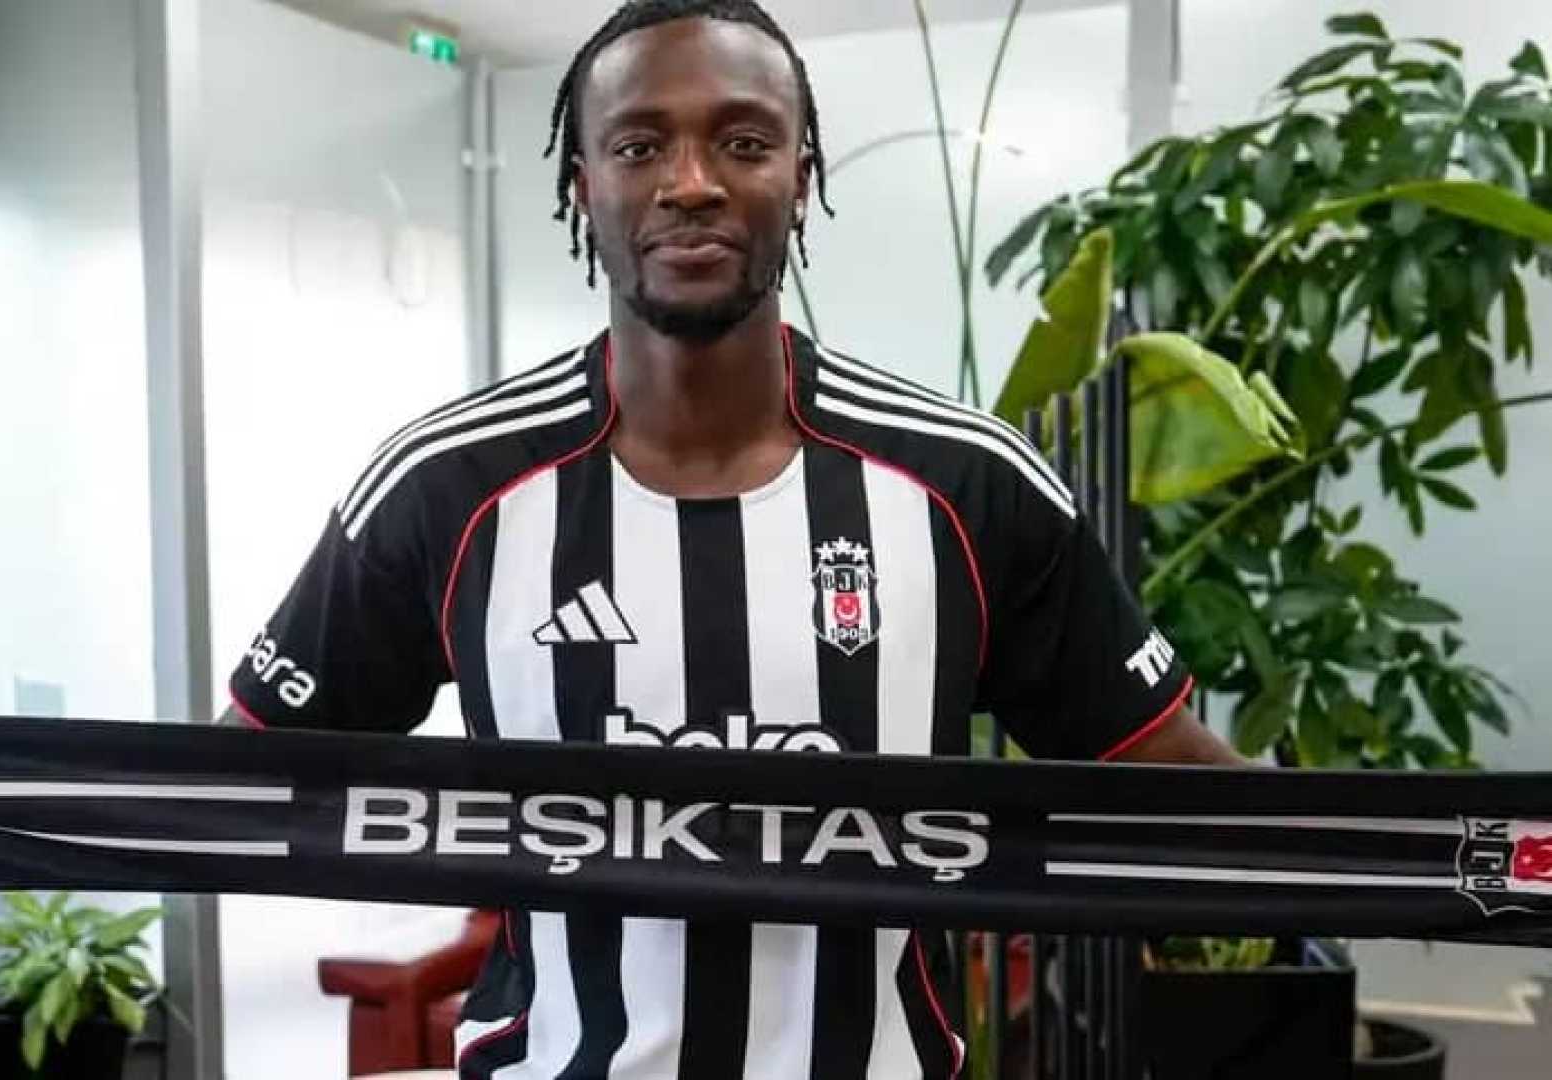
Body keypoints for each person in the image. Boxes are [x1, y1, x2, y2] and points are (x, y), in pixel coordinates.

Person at [226, 1, 1248, 1076]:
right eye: (638, 146)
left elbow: (1178, 781)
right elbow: (234, 782)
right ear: (580, 184)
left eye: (743, 142)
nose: (691, 183)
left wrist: (1375, 854)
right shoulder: (446, 488)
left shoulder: (967, 484)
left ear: (801, 178)